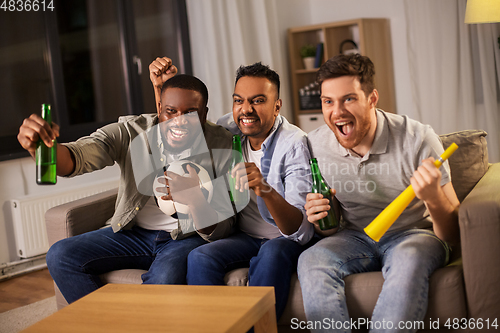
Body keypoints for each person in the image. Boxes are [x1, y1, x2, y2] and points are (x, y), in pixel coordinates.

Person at [18, 72, 235, 304]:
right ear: (159, 107)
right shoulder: (132, 131)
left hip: (187, 237)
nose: (178, 121)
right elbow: (78, 156)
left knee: (164, 277)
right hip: (134, 233)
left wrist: (196, 201)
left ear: (204, 114)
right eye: (170, 111)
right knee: (60, 255)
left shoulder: (223, 145)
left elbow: (225, 228)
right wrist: (42, 150)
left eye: (190, 113)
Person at [297, 54, 460, 333]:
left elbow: (453, 235)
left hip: (413, 234)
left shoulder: (417, 138)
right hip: (354, 236)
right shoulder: (314, 145)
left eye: (349, 98)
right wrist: (320, 216)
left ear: (372, 98)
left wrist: (433, 197)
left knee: (410, 257)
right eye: (328, 102)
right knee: (311, 258)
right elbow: (330, 228)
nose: (337, 112)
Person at [149, 58, 315, 320]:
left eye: (258, 101)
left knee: (271, 253)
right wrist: (163, 88)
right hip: (243, 235)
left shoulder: (294, 144)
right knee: (200, 256)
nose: (246, 110)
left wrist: (265, 189)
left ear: (277, 106)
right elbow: (179, 124)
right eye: (239, 100)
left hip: (281, 238)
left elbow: (301, 230)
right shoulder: (229, 128)